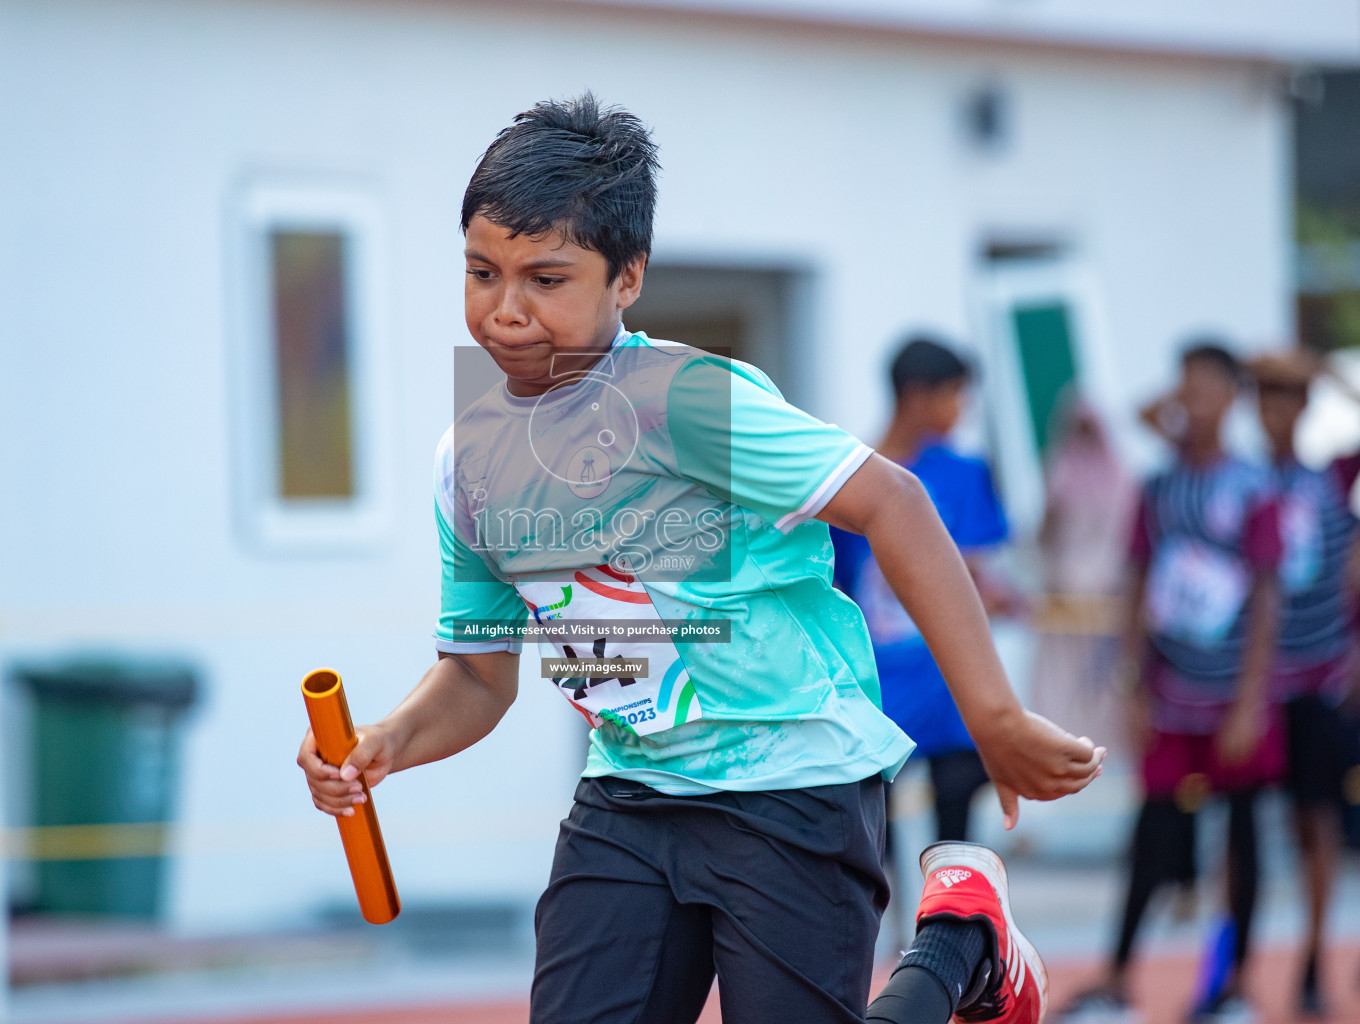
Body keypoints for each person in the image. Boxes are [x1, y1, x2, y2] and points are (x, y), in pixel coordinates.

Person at [297, 94, 1103, 1024]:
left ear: (626, 276)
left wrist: (993, 718)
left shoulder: (685, 401)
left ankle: (967, 940)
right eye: (483, 272)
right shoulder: (470, 458)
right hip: (629, 793)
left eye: (547, 279)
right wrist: (386, 744)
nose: (506, 311)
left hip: (791, 782)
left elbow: (894, 501)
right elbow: (479, 676)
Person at [1059, 344, 1283, 1024]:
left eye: (1211, 388)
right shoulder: (1158, 486)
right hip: (1170, 695)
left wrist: (1250, 699)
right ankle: (1119, 977)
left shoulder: (1253, 488)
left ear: (1234, 395)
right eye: (1187, 387)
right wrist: (1131, 682)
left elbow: (1269, 596)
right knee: (1153, 833)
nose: (1194, 400)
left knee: (1242, 836)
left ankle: (1236, 982)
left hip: (1234, 699)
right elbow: (1134, 584)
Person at [829, 337, 1022, 845]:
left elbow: (976, 571)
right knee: (875, 835)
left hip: (950, 681)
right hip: (877, 683)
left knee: (955, 832)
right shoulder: (847, 475)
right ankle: (887, 930)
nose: (963, 409)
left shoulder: (963, 473)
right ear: (917, 395)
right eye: (955, 394)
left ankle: (947, 924)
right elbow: (836, 584)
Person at [1246, 350, 1359, 1018]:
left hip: (1321, 679)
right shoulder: (1240, 480)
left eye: (1289, 400)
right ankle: (1230, 968)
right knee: (1247, 833)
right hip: (1251, 689)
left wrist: (1320, 368)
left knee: (1317, 825)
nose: (1277, 413)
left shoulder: (1332, 479)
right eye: (1265, 400)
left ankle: (1315, 956)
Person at [1031, 394, 1137, 760]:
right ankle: (1065, 744)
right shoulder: (1074, 472)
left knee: (1101, 681)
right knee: (1061, 679)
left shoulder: (1108, 475)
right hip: (1075, 594)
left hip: (1101, 594)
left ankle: (1091, 748)